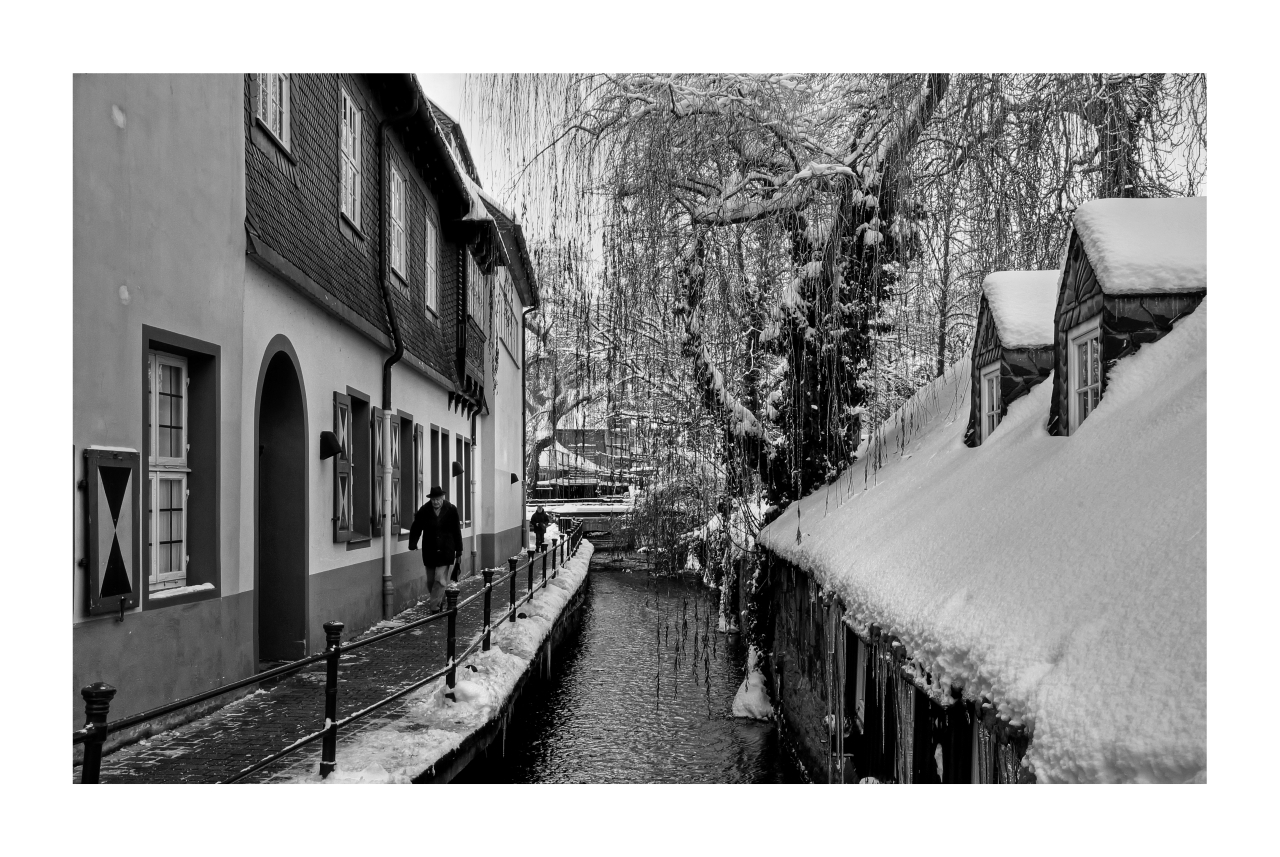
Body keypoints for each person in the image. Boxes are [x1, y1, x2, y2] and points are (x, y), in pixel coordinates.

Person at [408, 486, 463, 612]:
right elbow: (416, 526)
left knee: (440, 579)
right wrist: (413, 542)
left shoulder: (451, 509)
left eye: (437, 499)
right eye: (433, 500)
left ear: (442, 498)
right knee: (431, 581)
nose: (435, 502)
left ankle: (434, 608)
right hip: (430, 550)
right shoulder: (424, 510)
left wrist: (459, 550)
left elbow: (456, 531)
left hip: (446, 550)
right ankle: (440, 598)